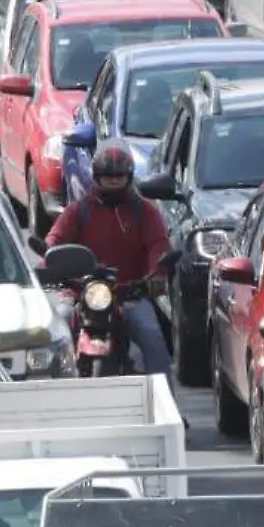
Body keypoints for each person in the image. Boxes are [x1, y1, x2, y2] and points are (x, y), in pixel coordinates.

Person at [43, 140, 175, 378]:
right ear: (97, 177)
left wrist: (158, 273)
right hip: (81, 292)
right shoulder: (79, 210)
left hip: (130, 294)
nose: (114, 181)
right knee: (56, 329)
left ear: (129, 177)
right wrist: (47, 264)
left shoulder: (145, 212)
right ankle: (55, 396)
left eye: (119, 176)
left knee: (152, 335)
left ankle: (167, 408)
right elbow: (55, 239)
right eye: (108, 176)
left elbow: (158, 244)